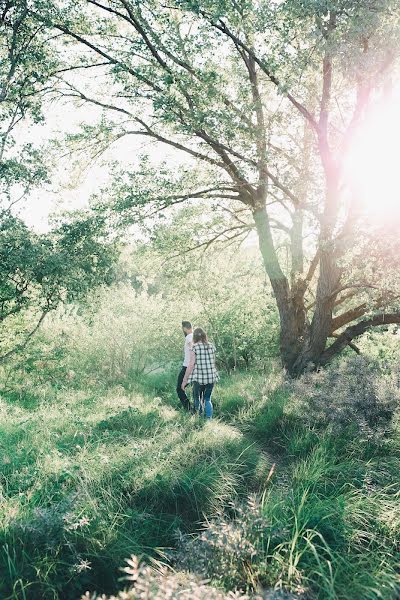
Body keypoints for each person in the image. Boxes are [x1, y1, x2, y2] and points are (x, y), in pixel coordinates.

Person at [182, 327, 218, 419]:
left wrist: (185, 380)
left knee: (197, 397)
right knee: (207, 399)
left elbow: (191, 364)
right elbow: (213, 362)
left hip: (199, 378)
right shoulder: (211, 346)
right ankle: (208, 419)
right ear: (204, 335)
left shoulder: (194, 347)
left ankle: (199, 417)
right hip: (211, 377)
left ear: (194, 337)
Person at [176, 320, 193, 411]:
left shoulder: (189, 337)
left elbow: (192, 347)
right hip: (196, 367)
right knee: (197, 390)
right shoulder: (197, 336)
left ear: (185, 328)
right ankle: (198, 410)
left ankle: (189, 409)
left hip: (187, 367)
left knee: (180, 388)